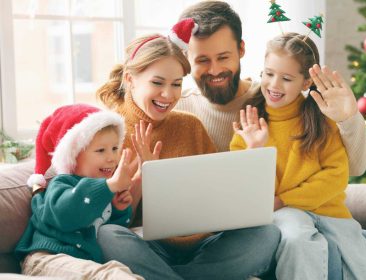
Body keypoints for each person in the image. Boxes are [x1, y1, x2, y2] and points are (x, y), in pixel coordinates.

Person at [176, 1, 366, 279]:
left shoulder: (306, 111)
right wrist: (255, 151)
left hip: (318, 212)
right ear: (187, 59)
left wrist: (348, 117)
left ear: (241, 50)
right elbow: (243, 194)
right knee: (313, 247)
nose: (214, 69)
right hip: (268, 226)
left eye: (223, 56)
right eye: (203, 59)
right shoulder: (192, 111)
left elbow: (349, 169)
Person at [94, 18, 281, 280]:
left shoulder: (190, 125)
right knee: (107, 236)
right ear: (131, 79)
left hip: (205, 246)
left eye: (176, 84)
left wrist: (252, 156)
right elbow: (110, 221)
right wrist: (142, 175)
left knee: (267, 234)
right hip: (147, 246)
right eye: (158, 83)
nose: (168, 95)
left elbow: (219, 191)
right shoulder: (107, 134)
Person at [230, 32, 366, 280]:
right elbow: (248, 191)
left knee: (364, 268)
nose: (274, 85)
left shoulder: (322, 119)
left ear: (305, 83)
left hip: (329, 212)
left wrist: (284, 199)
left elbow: (336, 176)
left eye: (286, 78)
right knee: (297, 239)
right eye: (269, 74)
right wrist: (255, 150)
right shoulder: (249, 122)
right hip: (284, 214)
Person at [15, 104, 142, 280]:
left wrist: (119, 209)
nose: (111, 157)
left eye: (114, 148)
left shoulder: (106, 189)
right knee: (113, 275)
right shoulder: (62, 183)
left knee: (121, 272)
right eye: (100, 150)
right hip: (47, 259)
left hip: (83, 263)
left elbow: (108, 233)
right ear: (73, 155)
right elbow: (68, 213)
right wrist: (110, 186)